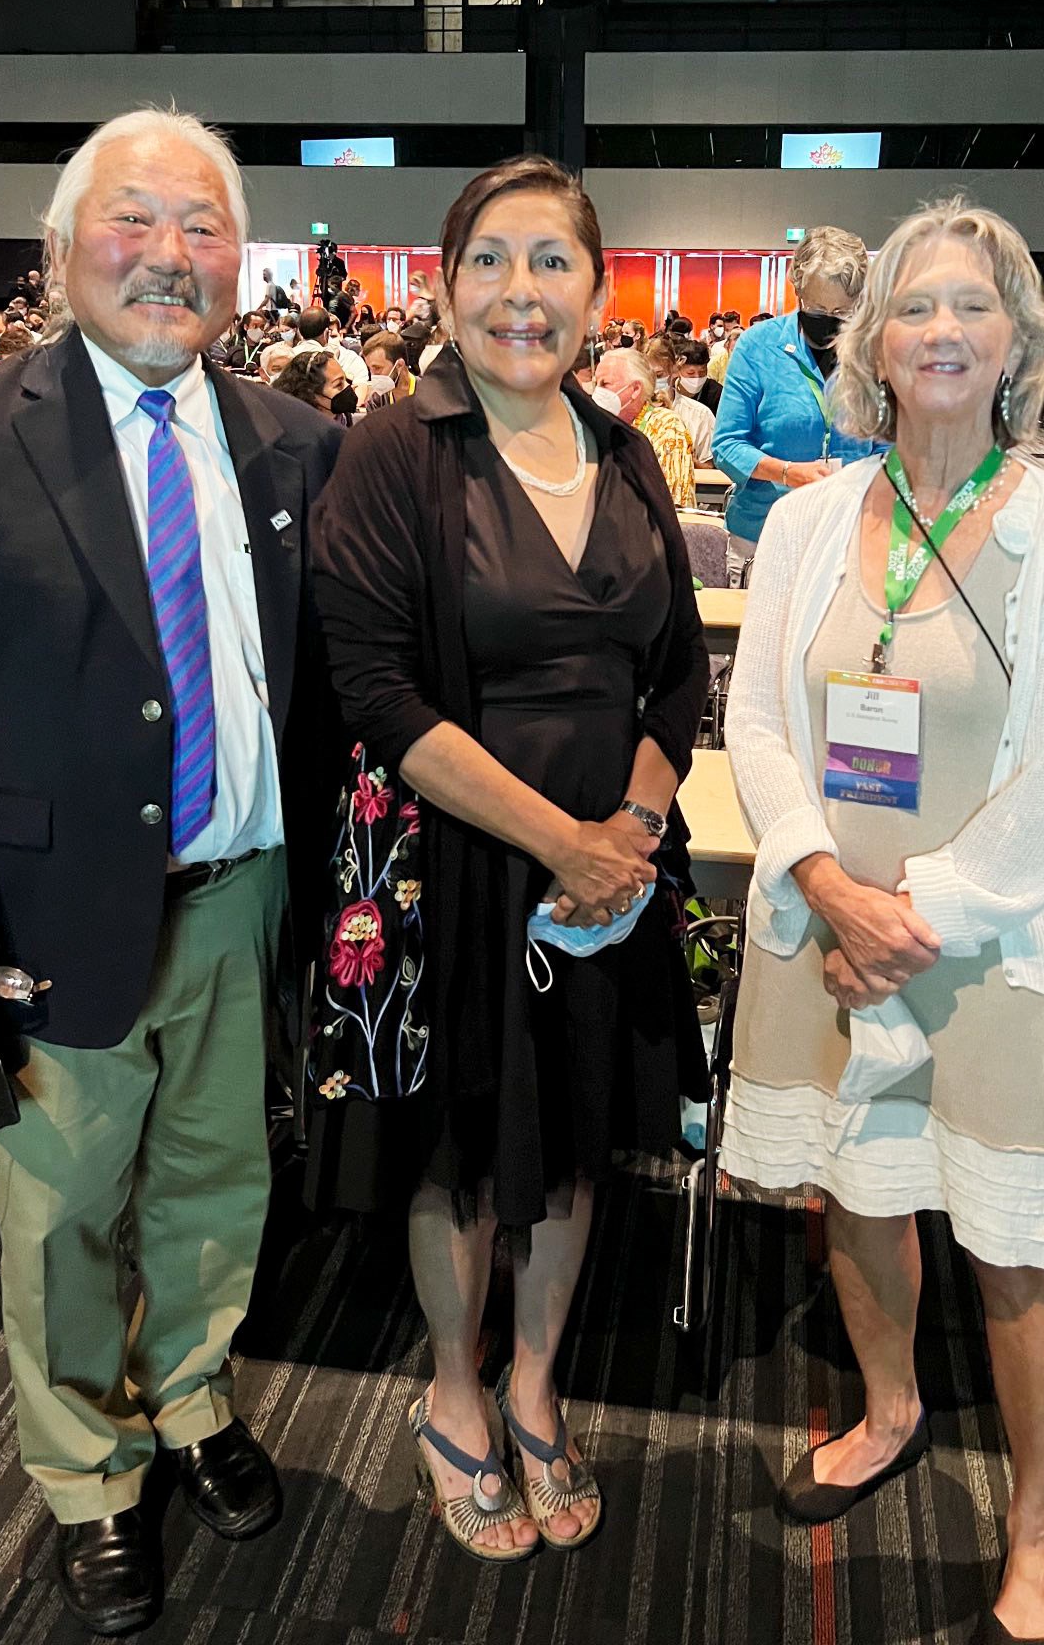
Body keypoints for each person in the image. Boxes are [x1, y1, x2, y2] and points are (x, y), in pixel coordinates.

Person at [0, 107, 341, 1635]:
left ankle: (190, 1400)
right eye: (133, 220)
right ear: (66, 248)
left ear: (239, 264)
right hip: (42, 913)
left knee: (215, 1180)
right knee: (59, 1214)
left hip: (240, 890)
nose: (168, 256)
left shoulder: (292, 440)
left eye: (202, 227)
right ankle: (86, 1472)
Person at [723, 197, 1044, 1645]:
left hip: (994, 955)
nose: (942, 329)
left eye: (973, 305)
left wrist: (918, 915)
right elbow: (758, 721)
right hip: (826, 929)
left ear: (1016, 340)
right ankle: (890, 1408)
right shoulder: (815, 522)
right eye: (913, 306)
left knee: (1019, 1248)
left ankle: (1036, 1518)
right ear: (872, 344)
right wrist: (827, 884)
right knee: (861, 1196)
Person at [305, 155, 708, 1567]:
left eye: (552, 262)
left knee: (580, 1136)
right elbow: (377, 695)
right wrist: (565, 848)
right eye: (490, 259)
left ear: (601, 294)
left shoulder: (632, 451)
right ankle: (456, 1390)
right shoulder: (391, 451)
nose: (520, 292)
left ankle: (536, 1382)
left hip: (613, 870)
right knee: (465, 1155)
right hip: (460, 871)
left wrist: (634, 836)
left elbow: (676, 683)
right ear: (443, 280)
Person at [713, 226, 881, 584]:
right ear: (797, 291)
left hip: (848, 536)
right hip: (764, 533)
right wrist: (788, 472)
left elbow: (890, 446)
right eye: (817, 308)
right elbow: (727, 446)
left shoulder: (875, 354)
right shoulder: (758, 347)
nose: (830, 319)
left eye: (842, 310)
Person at [596, 346, 697, 508]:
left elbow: (674, 502)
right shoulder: (599, 427)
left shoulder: (667, 427)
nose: (598, 392)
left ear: (635, 389)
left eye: (605, 384)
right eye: (596, 384)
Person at [646, 336, 715, 465]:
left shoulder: (700, 415)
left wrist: (687, 461)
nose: (651, 381)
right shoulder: (631, 413)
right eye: (645, 375)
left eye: (658, 375)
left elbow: (711, 468)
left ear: (675, 369)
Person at [275, 346, 357, 425]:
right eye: (338, 384)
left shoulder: (345, 418)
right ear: (311, 395)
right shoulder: (297, 433)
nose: (349, 387)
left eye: (346, 380)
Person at [361, 329, 414, 406]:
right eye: (370, 369)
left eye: (377, 368)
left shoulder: (428, 391)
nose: (373, 376)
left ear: (399, 365)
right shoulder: (375, 400)